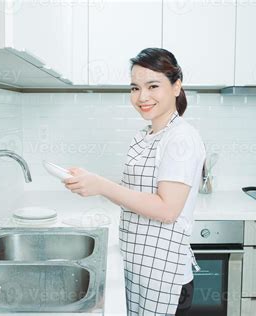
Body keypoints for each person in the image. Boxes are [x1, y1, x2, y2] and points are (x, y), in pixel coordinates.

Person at [63, 47, 206, 315]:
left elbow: (166, 210)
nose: (142, 97)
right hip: (141, 267)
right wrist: (91, 183)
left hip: (165, 276)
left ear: (176, 86)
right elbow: (136, 195)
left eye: (153, 86)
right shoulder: (146, 134)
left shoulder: (181, 138)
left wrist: (101, 185)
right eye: (134, 88)